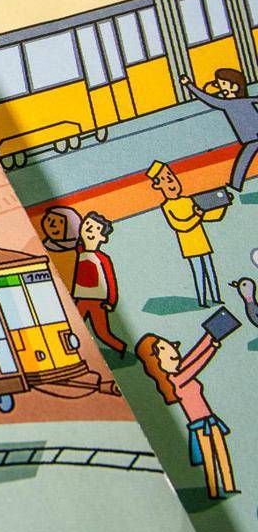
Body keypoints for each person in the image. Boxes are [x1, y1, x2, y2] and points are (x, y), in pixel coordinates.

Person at [135, 326, 236, 499]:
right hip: (199, 424)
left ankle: (229, 486)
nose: (173, 349)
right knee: (209, 458)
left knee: (221, 451)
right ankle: (213, 490)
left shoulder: (179, 372)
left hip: (210, 419)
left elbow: (192, 357)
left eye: (171, 346)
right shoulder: (177, 380)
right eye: (164, 349)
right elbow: (195, 365)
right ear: (156, 360)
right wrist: (211, 344)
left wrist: (209, 338)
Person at [147, 159, 225, 308]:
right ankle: (202, 301)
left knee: (210, 271)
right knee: (199, 273)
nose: (171, 182)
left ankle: (216, 297)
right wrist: (197, 215)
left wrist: (223, 203)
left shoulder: (188, 200)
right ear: (158, 185)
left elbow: (210, 216)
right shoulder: (167, 206)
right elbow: (181, 225)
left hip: (203, 243)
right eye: (165, 179)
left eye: (170, 177)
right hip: (190, 247)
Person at [180, 68, 258, 194]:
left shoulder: (229, 103)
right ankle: (235, 185)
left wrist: (189, 85)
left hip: (252, 139)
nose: (221, 88)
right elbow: (208, 98)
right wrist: (190, 85)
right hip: (251, 139)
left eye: (223, 84)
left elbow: (208, 99)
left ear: (234, 87)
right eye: (219, 84)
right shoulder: (231, 103)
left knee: (242, 162)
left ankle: (235, 185)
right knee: (243, 161)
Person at [73, 211, 125, 355]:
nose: (89, 230)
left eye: (95, 228)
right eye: (87, 225)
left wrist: (111, 302)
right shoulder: (79, 251)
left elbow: (110, 282)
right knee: (75, 326)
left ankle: (121, 349)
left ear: (102, 237)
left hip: (97, 301)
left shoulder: (102, 258)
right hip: (81, 299)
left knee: (102, 333)